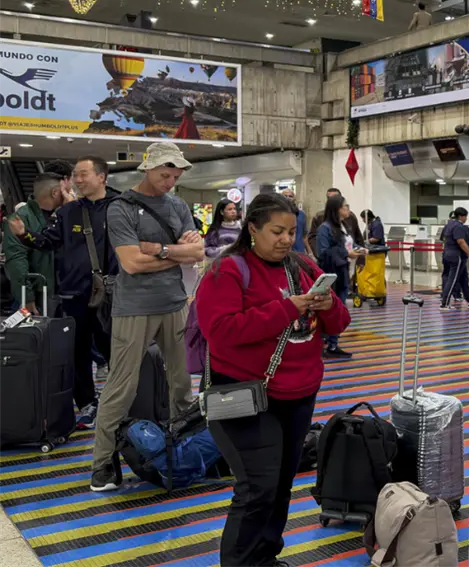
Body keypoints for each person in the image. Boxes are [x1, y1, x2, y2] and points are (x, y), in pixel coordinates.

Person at [196, 192, 350, 567]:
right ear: (253, 229)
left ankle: (264, 558)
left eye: (291, 231)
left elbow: (340, 324)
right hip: (244, 392)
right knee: (257, 486)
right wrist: (285, 309)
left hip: (298, 394)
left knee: (280, 484)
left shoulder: (303, 267)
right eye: (276, 231)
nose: (285, 239)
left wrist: (329, 306)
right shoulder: (228, 270)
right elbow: (220, 331)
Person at [91, 143, 206, 492]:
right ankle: (102, 464)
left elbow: (198, 252)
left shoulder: (177, 205)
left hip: (175, 303)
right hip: (134, 307)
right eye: (164, 174)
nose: (170, 181)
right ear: (147, 169)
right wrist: (178, 253)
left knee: (182, 383)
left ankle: (179, 452)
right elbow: (130, 263)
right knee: (120, 386)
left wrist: (157, 249)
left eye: (175, 176)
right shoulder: (121, 208)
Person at [6, 157, 120, 427]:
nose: (78, 181)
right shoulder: (68, 212)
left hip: (114, 294)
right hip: (73, 294)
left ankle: (120, 402)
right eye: (76, 176)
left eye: (83, 175)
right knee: (78, 352)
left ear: (102, 177)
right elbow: (47, 241)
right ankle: (87, 404)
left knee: (117, 350)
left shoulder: (120, 207)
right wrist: (24, 235)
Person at [3, 173, 64, 313]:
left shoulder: (66, 215)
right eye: (66, 190)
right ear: (55, 193)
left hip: (71, 290)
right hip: (43, 293)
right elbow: (17, 261)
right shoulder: (20, 219)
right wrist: (27, 299)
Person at [315, 195, 361, 359]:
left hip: (343, 271)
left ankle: (333, 342)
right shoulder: (324, 229)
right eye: (345, 206)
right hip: (331, 274)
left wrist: (358, 249)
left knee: (339, 309)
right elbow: (323, 253)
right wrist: (345, 253)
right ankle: (326, 343)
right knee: (331, 308)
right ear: (337, 209)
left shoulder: (343, 226)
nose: (348, 209)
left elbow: (347, 245)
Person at [440, 207, 469, 309]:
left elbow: (443, 238)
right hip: (456, 256)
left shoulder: (448, 225)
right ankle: (444, 303)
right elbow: (461, 242)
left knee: (463, 279)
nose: (466, 218)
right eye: (465, 216)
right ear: (461, 216)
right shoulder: (460, 227)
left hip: (447, 254)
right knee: (452, 279)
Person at [280, 188, 308, 255]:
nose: (288, 198)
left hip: (300, 251)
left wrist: (310, 252)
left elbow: (304, 236)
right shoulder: (277, 215)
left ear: (294, 199)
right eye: (285, 196)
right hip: (284, 251)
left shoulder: (302, 215)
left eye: (290, 196)